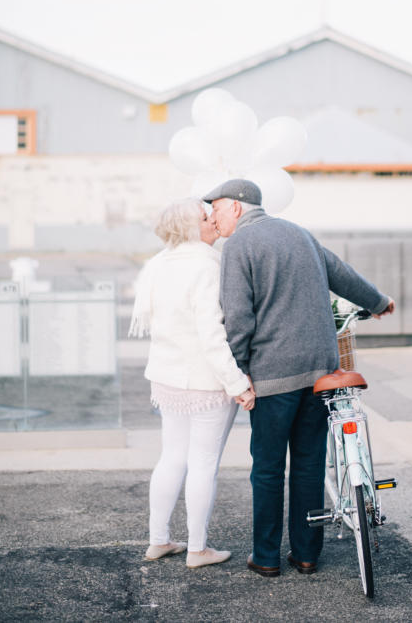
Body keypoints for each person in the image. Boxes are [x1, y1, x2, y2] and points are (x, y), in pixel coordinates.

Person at [204, 179, 394, 578]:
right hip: (321, 371)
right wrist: (378, 302)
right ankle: (307, 554)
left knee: (269, 468)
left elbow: (239, 316)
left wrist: (238, 374)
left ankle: (267, 557)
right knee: (310, 464)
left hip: (273, 377)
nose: (214, 217)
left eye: (217, 209)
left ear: (237, 207)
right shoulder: (300, 234)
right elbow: (342, 275)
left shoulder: (239, 244)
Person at [129, 197, 255, 569]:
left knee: (172, 458)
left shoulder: (158, 264)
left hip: (167, 378)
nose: (213, 221)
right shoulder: (208, 265)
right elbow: (211, 335)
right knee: (203, 465)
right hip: (205, 381)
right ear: (189, 227)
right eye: (205, 218)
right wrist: (238, 384)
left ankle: (159, 540)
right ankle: (198, 549)